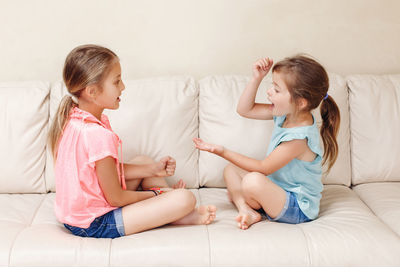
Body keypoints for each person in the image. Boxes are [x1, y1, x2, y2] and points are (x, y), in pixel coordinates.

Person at [49, 44, 216, 238]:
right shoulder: (97, 135)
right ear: (92, 91)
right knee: (185, 198)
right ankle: (173, 212)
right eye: (117, 81)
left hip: (75, 217)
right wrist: (159, 194)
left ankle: (168, 210)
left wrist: (152, 170)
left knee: (144, 161)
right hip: (95, 223)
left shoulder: (73, 118)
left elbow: (101, 171)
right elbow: (116, 198)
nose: (123, 87)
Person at [193, 55, 340, 229]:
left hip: (298, 208)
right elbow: (245, 109)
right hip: (276, 190)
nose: (269, 91)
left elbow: (264, 167)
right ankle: (246, 209)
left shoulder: (300, 138)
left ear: (300, 102)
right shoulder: (285, 113)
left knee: (252, 180)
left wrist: (222, 151)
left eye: (277, 90)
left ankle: (251, 204)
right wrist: (257, 78)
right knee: (231, 170)